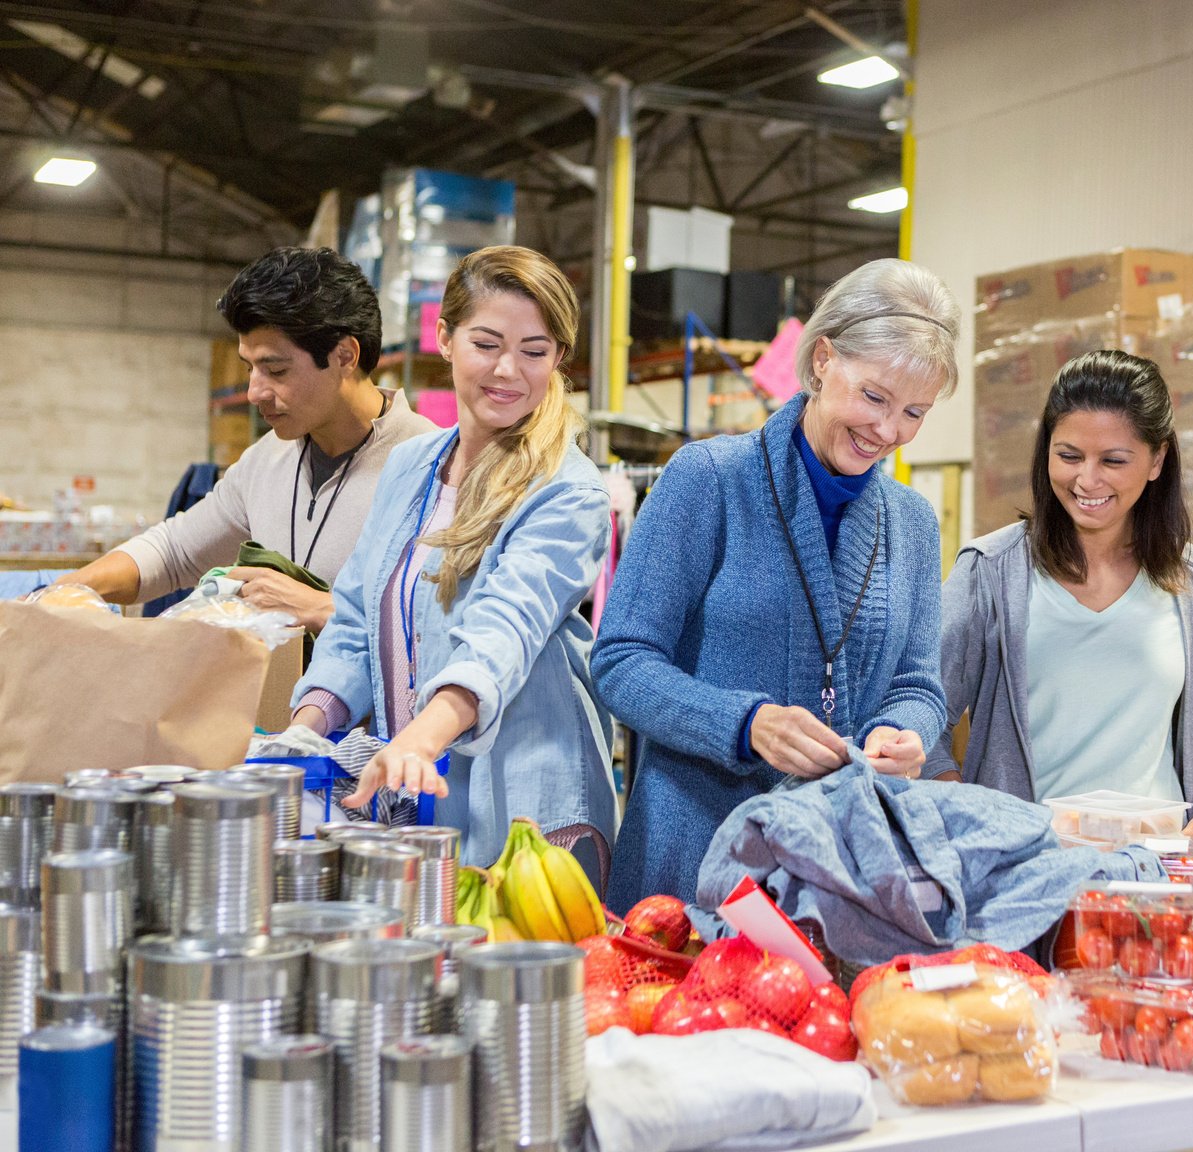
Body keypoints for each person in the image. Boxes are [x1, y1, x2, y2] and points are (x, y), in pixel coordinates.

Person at [593, 258, 960, 909]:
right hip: (693, 862)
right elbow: (621, 662)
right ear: (822, 359)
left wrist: (906, 732)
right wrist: (746, 723)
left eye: (914, 413)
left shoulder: (912, 523)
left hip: (837, 875)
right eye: (873, 397)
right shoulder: (711, 479)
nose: (888, 431)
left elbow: (918, 684)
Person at [287, 245, 615, 866]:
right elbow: (358, 614)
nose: (508, 371)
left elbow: (503, 633)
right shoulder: (412, 466)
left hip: (528, 814)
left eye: (535, 351)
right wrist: (307, 729)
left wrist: (421, 737)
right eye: (486, 343)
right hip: (421, 789)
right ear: (445, 336)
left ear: (559, 360)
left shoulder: (567, 491)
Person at [928, 349, 1193, 858]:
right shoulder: (990, 571)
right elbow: (919, 712)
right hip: (1019, 872)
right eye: (1069, 456)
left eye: (1113, 460)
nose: (1087, 480)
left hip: (1152, 873)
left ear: (1157, 460)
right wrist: (964, 810)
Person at [61, 247, 434, 631]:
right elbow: (173, 552)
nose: (256, 392)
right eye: (250, 368)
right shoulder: (266, 461)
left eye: (275, 369)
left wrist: (327, 609)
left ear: (344, 355)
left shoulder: (434, 470)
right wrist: (60, 593)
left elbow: (441, 627)